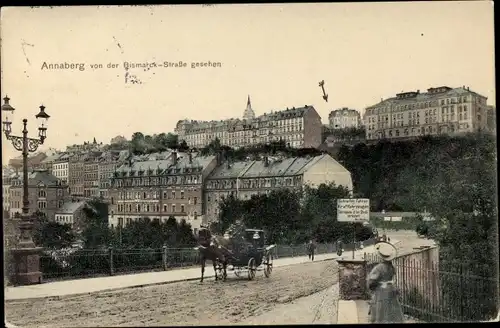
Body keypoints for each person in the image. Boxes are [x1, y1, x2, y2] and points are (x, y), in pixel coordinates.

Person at [366, 241, 404, 323]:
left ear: (380, 256)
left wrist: (371, 287)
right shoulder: (391, 267)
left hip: (381, 291)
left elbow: (371, 281)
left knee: (381, 310)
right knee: (392, 309)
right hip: (391, 289)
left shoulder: (378, 268)